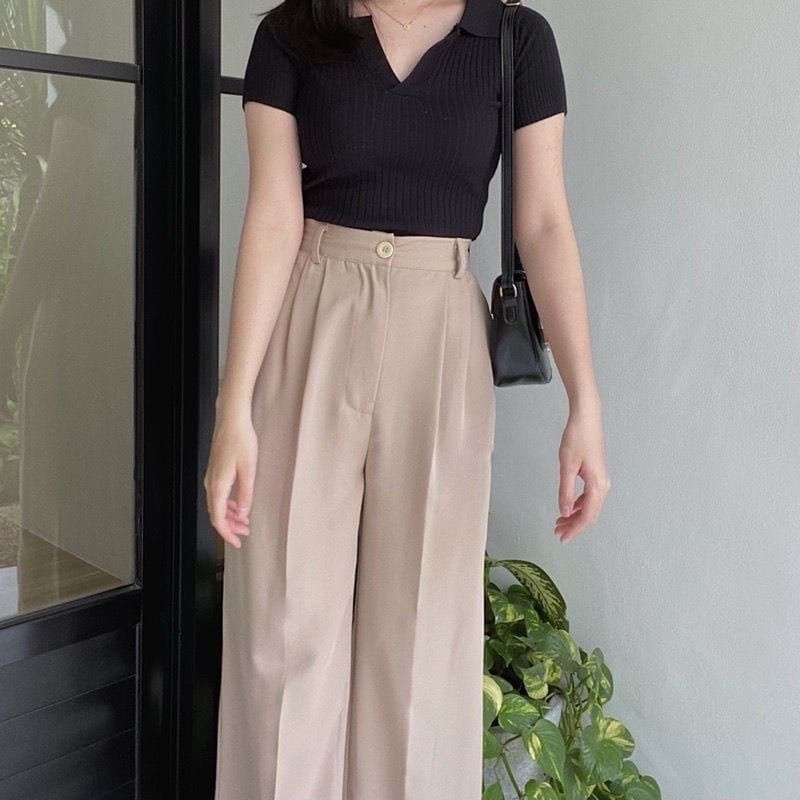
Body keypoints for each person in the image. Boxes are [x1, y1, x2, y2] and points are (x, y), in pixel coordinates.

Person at [204, 0, 610, 796]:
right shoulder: (293, 32)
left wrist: (585, 405)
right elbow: (274, 217)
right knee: (282, 635)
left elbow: (542, 224)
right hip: (312, 318)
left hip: (443, 334)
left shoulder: (514, 40)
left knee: (421, 645)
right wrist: (234, 410)